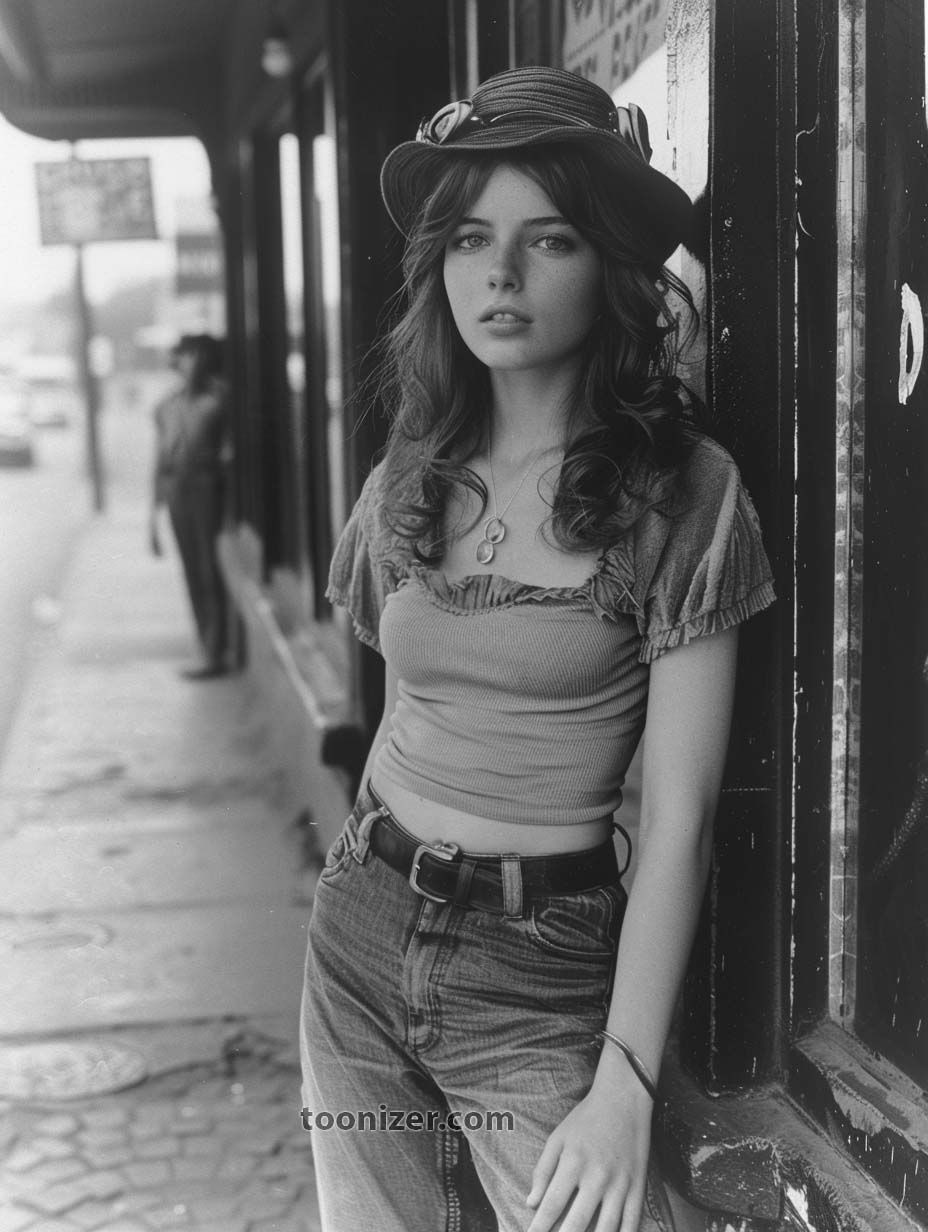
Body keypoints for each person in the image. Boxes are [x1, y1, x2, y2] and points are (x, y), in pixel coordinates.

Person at [300, 66, 776, 1232]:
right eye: (470, 239)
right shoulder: (410, 464)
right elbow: (407, 700)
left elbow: (679, 817)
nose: (499, 275)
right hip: (359, 930)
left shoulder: (684, 491)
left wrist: (625, 1080)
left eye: (546, 239)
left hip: (541, 969)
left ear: (609, 262)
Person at [150, 333, 230, 680]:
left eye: (195, 356)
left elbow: (223, 447)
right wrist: (150, 519)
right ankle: (205, 644)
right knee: (192, 569)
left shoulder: (215, 401)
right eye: (184, 355)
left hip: (205, 487)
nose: (188, 362)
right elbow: (159, 460)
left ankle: (214, 650)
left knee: (208, 567)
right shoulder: (166, 406)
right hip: (176, 490)